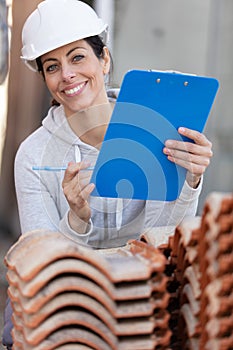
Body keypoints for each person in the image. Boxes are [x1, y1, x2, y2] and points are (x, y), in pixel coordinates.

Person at [2, 0, 213, 348]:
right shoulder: (33, 155)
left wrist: (190, 180)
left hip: (144, 289)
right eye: (52, 66)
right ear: (44, 79)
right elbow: (42, 270)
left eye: (78, 57)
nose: (66, 74)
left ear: (104, 59)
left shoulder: (154, 130)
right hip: (71, 299)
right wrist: (77, 220)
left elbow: (164, 235)